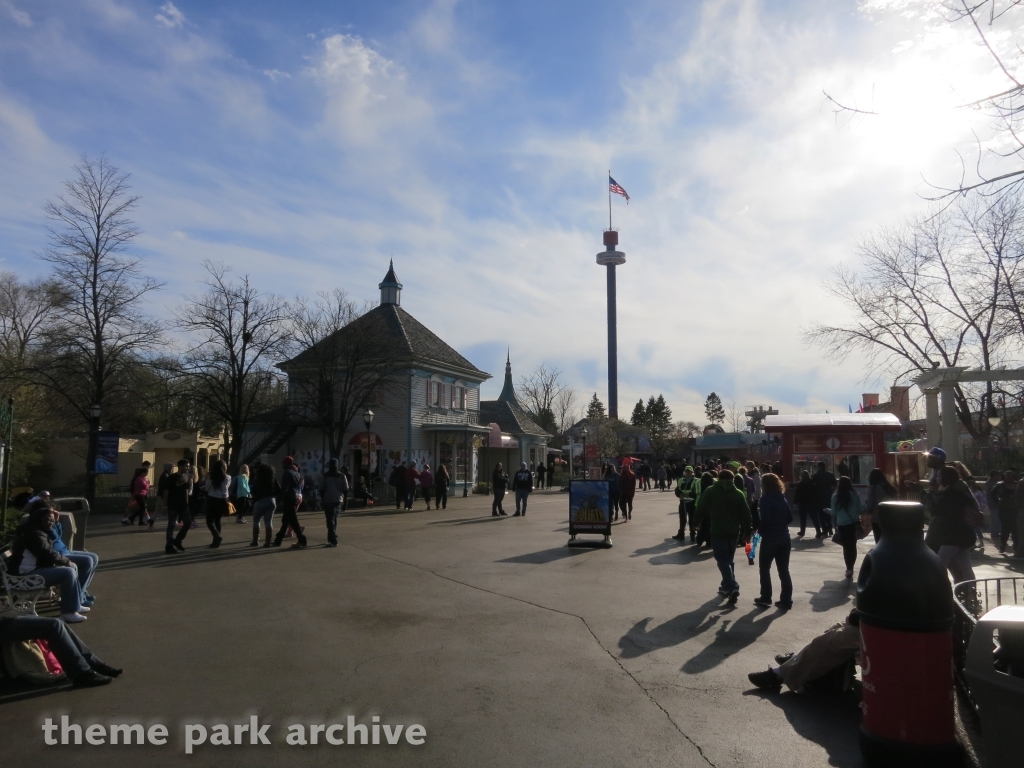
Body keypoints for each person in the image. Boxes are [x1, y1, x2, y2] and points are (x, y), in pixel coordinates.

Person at [6, 502, 88, 622]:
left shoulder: (36, 529)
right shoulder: (34, 534)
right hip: (24, 575)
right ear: (39, 519)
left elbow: (50, 549)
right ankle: (68, 612)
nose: (51, 522)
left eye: (52, 520)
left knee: (71, 568)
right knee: (68, 572)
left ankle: (74, 606)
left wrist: (66, 562)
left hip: (30, 570)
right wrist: (66, 561)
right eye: (47, 520)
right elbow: (47, 553)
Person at [0, 609, 123, 687]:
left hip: (7, 615)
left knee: (58, 623)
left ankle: (93, 664)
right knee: (54, 625)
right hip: (3, 622)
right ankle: (82, 674)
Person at [748, 609, 862, 692]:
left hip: (873, 627)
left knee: (830, 639)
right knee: (833, 630)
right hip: (868, 621)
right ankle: (797, 661)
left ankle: (780, 674)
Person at [696, 469, 752, 604]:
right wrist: (747, 532)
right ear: (732, 479)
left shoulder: (711, 491)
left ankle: (732, 586)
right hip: (733, 531)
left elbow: (701, 507)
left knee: (722, 560)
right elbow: (746, 514)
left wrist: (695, 522)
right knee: (729, 560)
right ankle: (726, 586)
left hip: (717, 530)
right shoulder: (738, 494)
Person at [925, 465, 979, 583]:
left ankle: (943, 592)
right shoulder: (958, 491)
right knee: (966, 568)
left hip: (954, 534)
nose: (936, 478)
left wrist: (937, 495)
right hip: (964, 534)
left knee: (939, 564)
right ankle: (970, 594)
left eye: (939, 476)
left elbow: (942, 512)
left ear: (946, 477)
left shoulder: (951, 494)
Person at [754, 473, 793, 609]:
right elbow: (790, 518)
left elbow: (766, 520)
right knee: (784, 570)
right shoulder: (783, 498)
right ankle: (786, 599)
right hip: (784, 536)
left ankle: (766, 597)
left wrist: (759, 531)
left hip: (771, 538)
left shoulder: (765, 500)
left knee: (764, 569)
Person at [49, 511, 99, 610]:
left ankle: (82, 592)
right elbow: (53, 537)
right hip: (60, 554)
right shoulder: (43, 525)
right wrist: (52, 523)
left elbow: (58, 535)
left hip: (65, 550)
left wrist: (57, 522)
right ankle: (79, 597)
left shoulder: (50, 523)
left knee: (94, 557)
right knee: (87, 561)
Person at [830, 476, 864, 578]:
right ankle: (851, 567)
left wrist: (827, 510)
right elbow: (861, 509)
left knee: (846, 546)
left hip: (842, 524)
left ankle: (848, 568)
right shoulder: (854, 495)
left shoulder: (835, 496)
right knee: (852, 546)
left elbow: (833, 512)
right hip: (854, 523)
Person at [273, 456, 307, 549]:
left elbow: (285, 488)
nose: (282, 465)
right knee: (286, 520)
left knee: (293, 520)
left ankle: (302, 539)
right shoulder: (297, 473)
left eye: (283, 463)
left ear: (287, 464)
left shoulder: (287, 473)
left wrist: (279, 499)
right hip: (295, 497)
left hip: (289, 498)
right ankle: (278, 539)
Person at [165, 460, 193, 553]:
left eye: (188, 466)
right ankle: (169, 546)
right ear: (180, 466)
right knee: (171, 525)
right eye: (186, 466)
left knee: (188, 523)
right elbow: (166, 491)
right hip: (173, 504)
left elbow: (187, 491)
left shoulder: (187, 477)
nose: (188, 468)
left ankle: (177, 540)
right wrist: (165, 504)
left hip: (184, 505)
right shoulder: (172, 478)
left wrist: (187, 502)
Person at [249, 463, 280, 548]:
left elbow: (253, 492)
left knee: (256, 521)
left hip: (260, 501)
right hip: (271, 501)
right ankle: (267, 542)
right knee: (268, 522)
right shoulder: (273, 480)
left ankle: (255, 541)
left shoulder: (258, 480)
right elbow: (279, 491)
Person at [321, 458, 349, 548]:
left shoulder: (325, 475)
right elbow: (345, 489)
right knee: (334, 520)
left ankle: (333, 539)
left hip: (328, 500)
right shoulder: (342, 476)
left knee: (330, 521)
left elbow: (321, 488)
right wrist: (345, 502)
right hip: (338, 500)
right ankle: (331, 538)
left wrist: (323, 499)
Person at [864, 468, 897, 543]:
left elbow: (870, 504)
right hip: (890, 516)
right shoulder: (890, 487)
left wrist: (866, 512)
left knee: (878, 539)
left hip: (877, 516)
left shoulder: (873, 488)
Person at [203, 461, 231, 549]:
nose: (226, 468)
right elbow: (225, 489)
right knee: (217, 520)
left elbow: (207, 488)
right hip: (222, 500)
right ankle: (216, 540)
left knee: (209, 521)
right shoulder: (228, 477)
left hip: (212, 499)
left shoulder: (211, 477)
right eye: (225, 467)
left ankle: (216, 537)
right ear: (222, 468)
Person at [992, 469, 1017, 554]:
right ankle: (1002, 546)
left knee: (1015, 529)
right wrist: (998, 502)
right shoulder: (1000, 485)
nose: (1007, 478)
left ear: (1013, 477)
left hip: (1015, 509)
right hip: (1004, 509)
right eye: (1006, 476)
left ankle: (1016, 548)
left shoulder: (1018, 485)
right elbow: (992, 493)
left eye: (1009, 476)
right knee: (1005, 528)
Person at [673, 467, 700, 542]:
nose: (688, 473)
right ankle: (681, 534)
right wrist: (679, 494)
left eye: (689, 472)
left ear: (692, 472)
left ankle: (692, 534)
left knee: (692, 519)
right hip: (683, 502)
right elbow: (677, 489)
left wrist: (689, 495)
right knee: (682, 519)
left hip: (692, 502)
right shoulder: (681, 480)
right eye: (686, 471)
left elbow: (697, 492)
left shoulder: (696, 481)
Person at [811, 461, 837, 538]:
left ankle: (824, 530)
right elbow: (835, 484)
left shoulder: (815, 475)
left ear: (819, 467)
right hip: (828, 495)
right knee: (828, 512)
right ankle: (830, 528)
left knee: (821, 514)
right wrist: (832, 492)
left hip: (819, 497)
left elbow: (813, 487)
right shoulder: (830, 475)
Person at [793, 469, 818, 538]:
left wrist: (795, 502)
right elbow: (816, 493)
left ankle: (802, 531)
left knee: (803, 518)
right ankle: (818, 531)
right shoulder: (812, 483)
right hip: (811, 502)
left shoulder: (800, 484)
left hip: (802, 503)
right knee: (814, 517)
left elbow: (797, 494)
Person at [694, 471, 716, 548]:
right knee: (710, 524)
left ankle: (699, 540)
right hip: (712, 505)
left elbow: (695, 492)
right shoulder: (715, 481)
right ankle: (709, 541)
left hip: (700, 503)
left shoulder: (698, 482)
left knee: (702, 523)